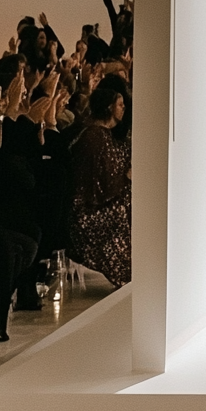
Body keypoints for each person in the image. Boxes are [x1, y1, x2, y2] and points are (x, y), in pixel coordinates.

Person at [68, 83, 131, 288]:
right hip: (88, 211)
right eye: (120, 104)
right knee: (127, 205)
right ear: (108, 107)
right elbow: (98, 184)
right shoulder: (93, 137)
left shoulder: (105, 135)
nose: (123, 108)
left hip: (103, 201)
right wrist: (127, 178)